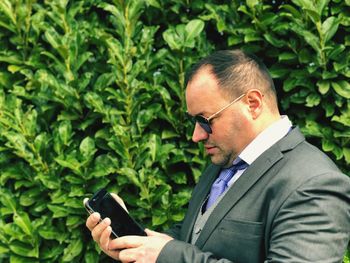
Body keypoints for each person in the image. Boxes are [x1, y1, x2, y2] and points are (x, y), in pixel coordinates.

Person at [85, 49, 350, 262]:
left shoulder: (316, 183)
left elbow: (179, 253)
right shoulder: (225, 161)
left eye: (205, 120)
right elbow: (196, 238)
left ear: (253, 104)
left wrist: (168, 256)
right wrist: (134, 244)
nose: (197, 136)